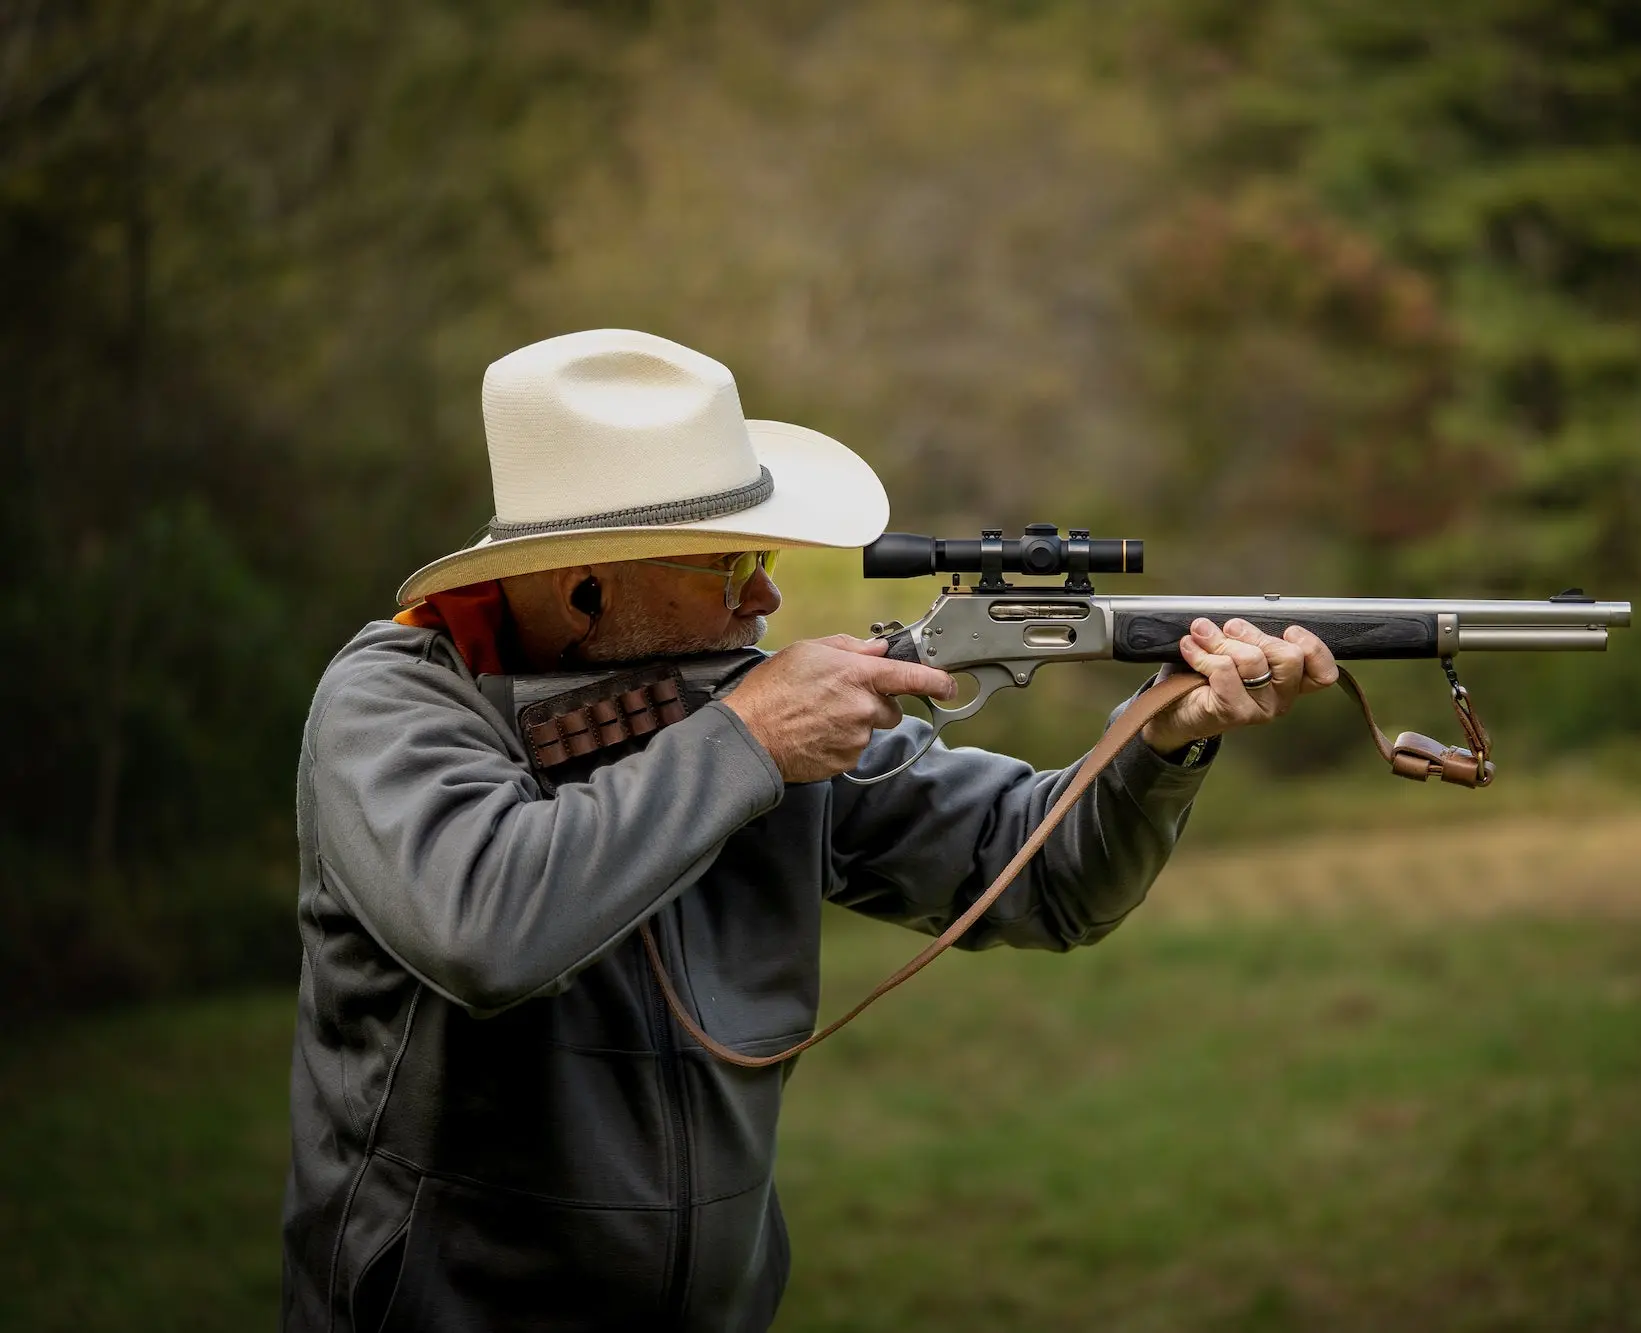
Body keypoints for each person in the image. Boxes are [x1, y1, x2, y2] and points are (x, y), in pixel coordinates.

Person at [281, 329, 1338, 1332]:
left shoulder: (734, 713)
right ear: (585, 587)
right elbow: (486, 926)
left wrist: (1163, 737)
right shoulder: (395, 704)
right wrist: (745, 740)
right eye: (729, 565)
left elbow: (1043, 877)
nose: (769, 593)